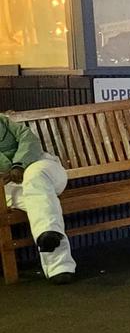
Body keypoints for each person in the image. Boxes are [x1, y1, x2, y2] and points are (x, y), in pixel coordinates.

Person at [0, 111, 74, 283]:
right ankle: (56, 259)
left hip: (41, 167)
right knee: (40, 202)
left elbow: (29, 139)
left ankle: (58, 261)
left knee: (34, 178)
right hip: (7, 188)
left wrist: (19, 165)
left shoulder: (3, 121)